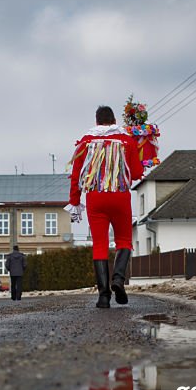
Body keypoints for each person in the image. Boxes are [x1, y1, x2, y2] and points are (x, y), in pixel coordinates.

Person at [66, 105, 143, 308]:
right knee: (124, 240)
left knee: (99, 244)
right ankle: (118, 279)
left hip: (95, 198)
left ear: (97, 121)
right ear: (114, 120)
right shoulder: (126, 141)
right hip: (120, 196)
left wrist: (74, 200)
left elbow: (76, 176)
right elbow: (135, 173)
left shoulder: (85, 142)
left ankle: (103, 296)